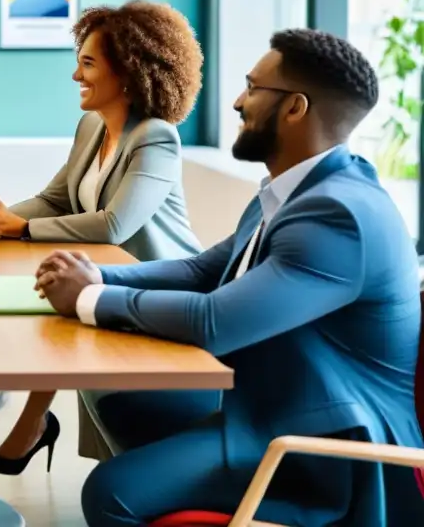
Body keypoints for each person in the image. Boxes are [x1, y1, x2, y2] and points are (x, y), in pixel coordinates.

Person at [36, 29, 424, 527]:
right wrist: (93, 273)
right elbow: (203, 270)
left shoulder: (338, 214)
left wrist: (90, 296)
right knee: (124, 402)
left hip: (325, 448)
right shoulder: (298, 191)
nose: (238, 102)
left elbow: (214, 321)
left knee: (111, 493)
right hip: (271, 402)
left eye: (251, 86)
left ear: (295, 109)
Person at [0, 0, 209, 474]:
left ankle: (41, 437)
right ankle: (34, 432)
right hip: (105, 277)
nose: (75, 75)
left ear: (127, 71)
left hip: (156, 283)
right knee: (55, 316)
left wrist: (22, 229)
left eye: (87, 63)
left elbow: (116, 223)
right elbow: (56, 198)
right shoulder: (91, 127)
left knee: (61, 318)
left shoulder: (157, 138)